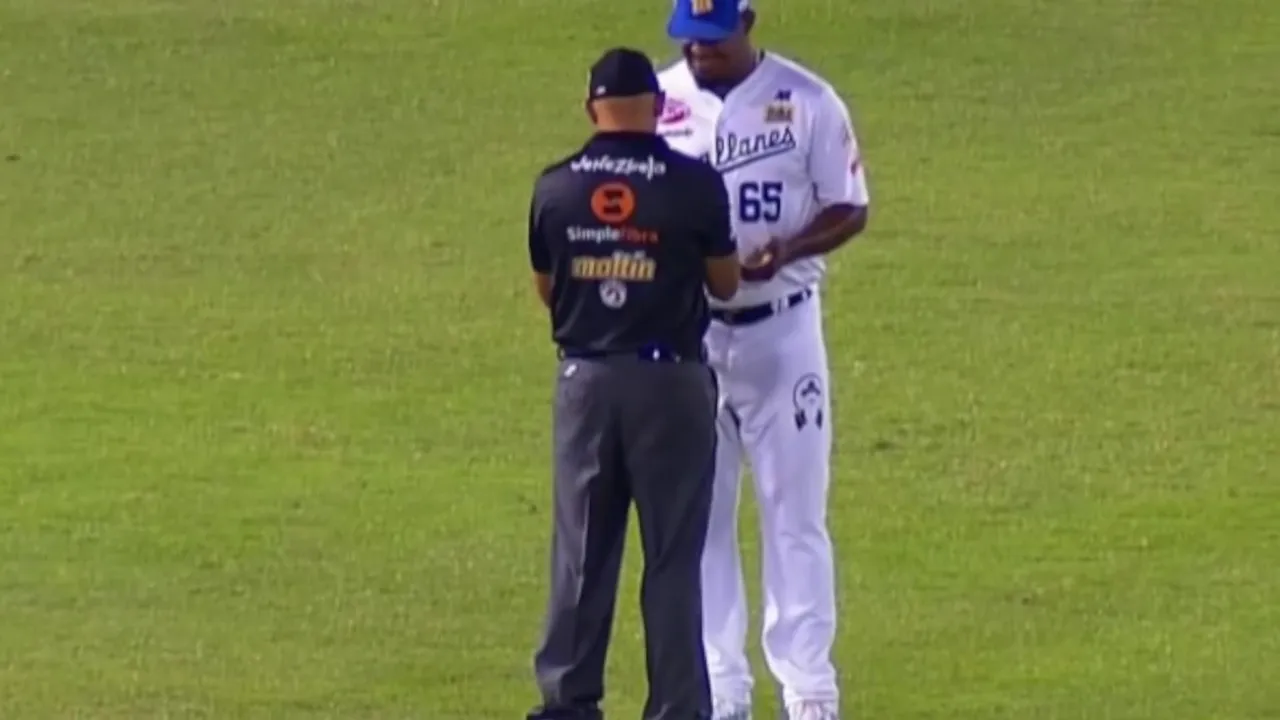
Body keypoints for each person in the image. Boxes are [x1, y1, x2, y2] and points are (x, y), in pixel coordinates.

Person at [655, 1, 872, 719]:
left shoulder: (807, 100)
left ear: (748, 23)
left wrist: (792, 248)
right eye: (690, 39)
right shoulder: (657, 102)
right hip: (690, 337)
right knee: (701, 516)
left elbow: (850, 205)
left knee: (795, 513)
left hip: (783, 334)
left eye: (714, 39)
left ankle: (809, 690)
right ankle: (722, 690)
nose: (700, 52)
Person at [525, 47, 742, 720]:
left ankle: (568, 703)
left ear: (591, 107)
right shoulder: (694, 184)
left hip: (586, 377)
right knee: (673, 555)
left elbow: (547, 287)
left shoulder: (555, 187)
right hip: (671, 383)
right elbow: (725, 282)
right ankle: (676, 707)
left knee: (581, 550)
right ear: (658, 107)